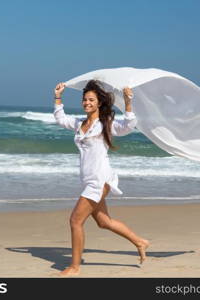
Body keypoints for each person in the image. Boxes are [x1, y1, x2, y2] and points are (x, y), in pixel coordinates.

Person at [53, 80, 150, 277]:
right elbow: (61, 119)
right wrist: (58, 97)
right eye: (85, 99)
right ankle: (140, 241)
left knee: (75, 221)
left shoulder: (106, 124)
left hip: (99, 179)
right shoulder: (81, 123)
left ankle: (74, 267)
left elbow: (129, 124)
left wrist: (128, 102)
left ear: (99, 103)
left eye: (91, 100)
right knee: (104, 222)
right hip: (88, 179)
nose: (87, 102)